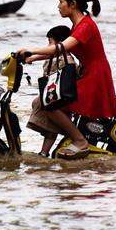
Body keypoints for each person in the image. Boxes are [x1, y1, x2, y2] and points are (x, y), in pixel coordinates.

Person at [18, 0, 116, 159]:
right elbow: (63, 50)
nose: (58, 6)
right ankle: (48, 151)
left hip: (95, 77)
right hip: (88, 73)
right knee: (49, 100)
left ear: (72, 4)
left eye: (61, 1)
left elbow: (62, 47)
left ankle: (80, 141)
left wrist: (32, 50)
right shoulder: (77, 26)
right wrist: (32, 59)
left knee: (50, 103)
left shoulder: (85, 25)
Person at [27, 25, 80, 157]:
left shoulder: (64, 60)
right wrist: (32, 58)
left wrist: (33, 56)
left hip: (60, 98)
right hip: (58, 96)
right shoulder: (61, 58)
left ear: (60, 44)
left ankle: (46, 151)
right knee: (48, 118)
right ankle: (44, 152)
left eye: (50, 42)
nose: (48, 46)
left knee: (42, 104)